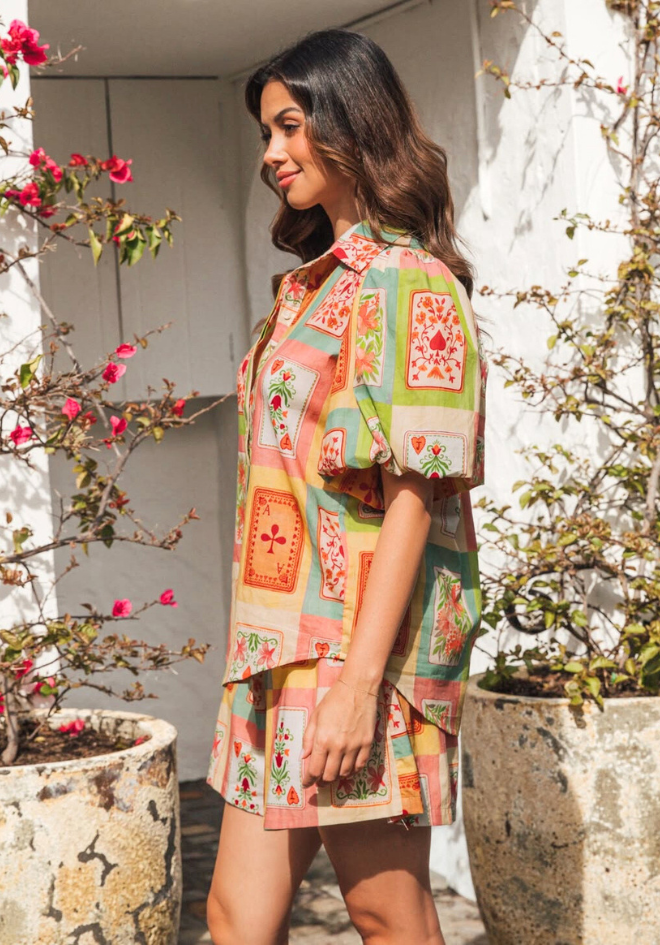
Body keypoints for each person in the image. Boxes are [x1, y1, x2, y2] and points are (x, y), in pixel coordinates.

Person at [205, 26, 488, 945]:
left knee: (384, 910)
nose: (272, 154)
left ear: (349, 121)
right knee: (235, 918)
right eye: (265, 134)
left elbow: (416, 493)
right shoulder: (305, 294)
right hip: (274, 647)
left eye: (290, 126)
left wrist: (359, 684)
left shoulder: (410, 284)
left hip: (358, 654)